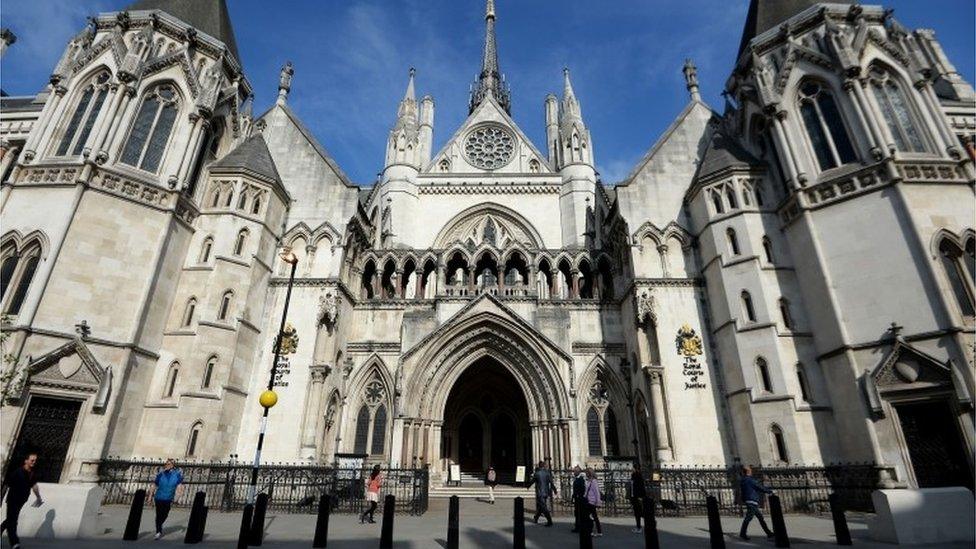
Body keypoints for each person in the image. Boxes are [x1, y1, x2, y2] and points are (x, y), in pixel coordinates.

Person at [1, 453, 43, 549]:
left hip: (22, 500)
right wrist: (1, 498)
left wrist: (39, 497)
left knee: (12, 518)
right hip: (12, 499)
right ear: (26, 461)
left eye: (35, 460)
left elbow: (34, 486)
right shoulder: (17, 472)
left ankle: (1, 529)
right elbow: (7, 485)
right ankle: (15, 543)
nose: (34, 462)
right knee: (13, 521)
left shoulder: (32, 473)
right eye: (32, 460)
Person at [739, 466, 775, 540]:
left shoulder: (743, 480)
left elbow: (742, 491)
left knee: (760, 518)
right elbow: (759, 487)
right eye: (751, 471)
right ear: (749, 472)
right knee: (748, 518)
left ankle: (769, 533)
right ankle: (742, 533)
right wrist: (770, 491)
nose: (752, 472)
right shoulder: (750, 480)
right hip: (752, 500)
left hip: (749, 500)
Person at [150, 458, 183, 540]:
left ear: (172, 466)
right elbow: (154, 485)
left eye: (168, 464)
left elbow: (179, 486)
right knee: (158, 514)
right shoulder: (161, 474)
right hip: (158, 497)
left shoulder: (177, 475)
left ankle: (159, 524)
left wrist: (178, 497)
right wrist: (150, 496)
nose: (166, 465)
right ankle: (158, 531)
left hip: (168, 498)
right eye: (166, 464)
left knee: (165, 514)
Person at [525, 460, 556, 526]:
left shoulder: (537, 473)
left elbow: (532, 481)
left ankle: (549, 521)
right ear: (544, 466)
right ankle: (536, 518)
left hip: (540, 492)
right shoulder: (547, 473)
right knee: (541, 506)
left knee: (543, 507)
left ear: (539, 466)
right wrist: (554, 490)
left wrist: (527, 486)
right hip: (546, 492)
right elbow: (551, 482)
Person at [584, 467, 603, 537]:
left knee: (593, 517)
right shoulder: (588, 481)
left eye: (586, 473)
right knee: (591, 517)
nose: (586, 474)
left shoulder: (593, 481)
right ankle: (593, 531)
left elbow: (597, 492)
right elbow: (586, 491)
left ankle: (598, 531)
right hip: (588, 501)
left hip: (592, 502)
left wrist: (598, 502)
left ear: (589, 473)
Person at [630, 462, 647, 533]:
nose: (631, 469)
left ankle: (639, 527)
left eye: (633, 468)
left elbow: (641, 487)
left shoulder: (638, 476)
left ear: (635, 468)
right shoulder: (634, 476)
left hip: (638, 497)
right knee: (638, 513)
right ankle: (638, 526)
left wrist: (641, 496)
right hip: (634, 497)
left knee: (639, 513)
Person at [569, 465, 586, 533]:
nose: (573, 473)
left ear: (577, 472)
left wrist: (578, 495)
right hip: (577, 498)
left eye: (574, 471)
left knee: (579, 513)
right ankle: (578, 526)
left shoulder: (580, 479)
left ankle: (579, 527)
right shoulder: (577, 479)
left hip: (579, 499)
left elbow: (582, 489)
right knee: (577, 513)